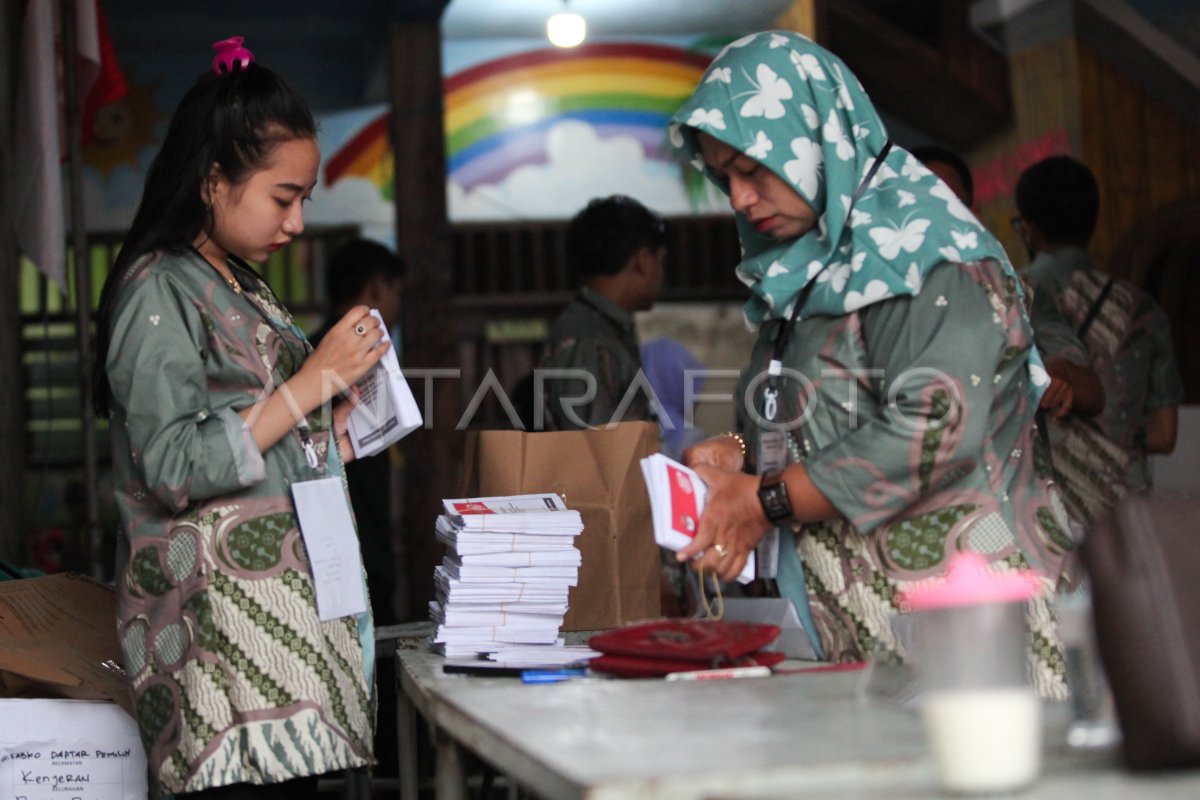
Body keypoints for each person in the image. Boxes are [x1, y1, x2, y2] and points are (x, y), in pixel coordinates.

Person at [668, 30, 1072, 698]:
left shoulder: (932, 256)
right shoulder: (806, 276)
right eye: (724, 176)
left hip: (971, 625)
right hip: (863, 634)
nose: (739, 198)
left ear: (814, 138)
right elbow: (806, 416)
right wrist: (739, 450)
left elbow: (935, 428)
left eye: (752, 169)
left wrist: (766, 501)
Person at [92, 40, 385, 798]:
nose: (295, 221)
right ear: (213, 180)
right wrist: (313, 379)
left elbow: (259, 440)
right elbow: (173, 464)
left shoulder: (242, 285)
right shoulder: (158, 291)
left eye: (304, 200)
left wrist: (333, 437)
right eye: (282, 197)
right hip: (223, 649)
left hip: (287, 627)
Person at [1015, 155, 1184, 527]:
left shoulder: (1007, 296)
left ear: (1027, 228)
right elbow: (1163, 433)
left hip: (1039, 511)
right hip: (1122, 514)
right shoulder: (1143, 310)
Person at [911, 145, 1105, 424]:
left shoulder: (1015, 293)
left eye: (946, 202)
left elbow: (1094, 392)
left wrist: (1063, 375)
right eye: (917, 201)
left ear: (973, 217)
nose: (932, 218)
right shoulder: (860, 303)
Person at [310, 237, 406, 625]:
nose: (398, 307)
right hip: (354, 547)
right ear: (377, 288)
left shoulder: (307, 350)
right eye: (398, 294)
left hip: (328, 551)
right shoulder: (355, 357)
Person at [538, 194, 668, 429]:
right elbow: (593, 448)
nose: (660, 273)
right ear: (643, 260)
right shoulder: (587, 339)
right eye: (660, 261)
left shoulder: (600, 327)